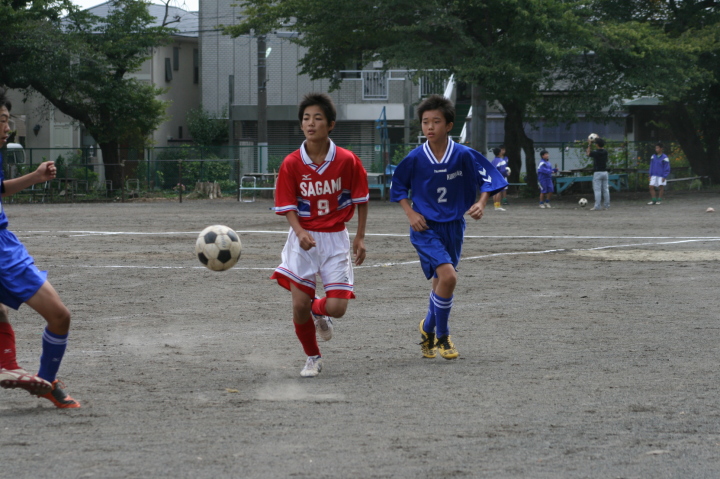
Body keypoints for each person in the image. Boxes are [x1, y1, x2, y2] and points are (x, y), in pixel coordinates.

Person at [390, 94, 507, 360]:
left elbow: (489, 179)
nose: (430, 127)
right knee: (449, 277)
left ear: (449, 125)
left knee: (441, 282)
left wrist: (481, 202)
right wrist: (410, 213)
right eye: (425, 122)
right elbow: (397, 188)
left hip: (453, 226)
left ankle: (427, 328)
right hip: (425, 228)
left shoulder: (463, 155)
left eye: (436, 121)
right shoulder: (415, 157)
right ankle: (443, 336)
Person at [271, 93, 369, 378]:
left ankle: (318, 310)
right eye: (306, 118)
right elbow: (287, 206)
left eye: (317, 118)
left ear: (331, 124)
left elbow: (361, 199)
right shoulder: (291, 163)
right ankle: (312, 357)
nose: (310, 123)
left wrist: (360, 237)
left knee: (337, 308)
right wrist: (299, 231)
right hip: (302, 240)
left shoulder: (347, 160)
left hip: (335, 238)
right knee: (298, 304)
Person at [0, 88, 80, 408]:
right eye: (2, 120)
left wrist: (34, 177)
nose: (8, 128)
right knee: (59, 316)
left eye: (7, 120)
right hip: (4, 253)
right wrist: (34, 177)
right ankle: (40, 377)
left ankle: (30, 374)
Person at [586, 137, 610, 210]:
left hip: (597, 172)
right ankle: (606, 206)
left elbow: (588, 153)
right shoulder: (605, 152)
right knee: (605, 190)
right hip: (605, 172)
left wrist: (589, 144)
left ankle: (597, 206)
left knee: (597, 190)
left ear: (597, 145)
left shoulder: (596, 152)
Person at [491, 147, 510, 211]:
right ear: (499, 153)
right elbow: (503, 171)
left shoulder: (493, 161)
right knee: (499, 191)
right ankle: (498, 206)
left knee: (494, 192)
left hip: (493, 177)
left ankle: (495, 206)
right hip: (499, 178)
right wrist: (507, 174)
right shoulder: (502, 161)